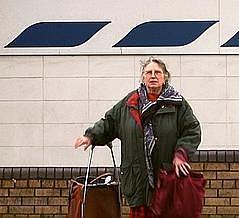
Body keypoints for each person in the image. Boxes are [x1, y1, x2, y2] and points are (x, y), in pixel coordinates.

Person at [74, 57, 201, 216]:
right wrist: (91, 136)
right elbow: (110, 123)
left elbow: (192, 130)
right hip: (137, 180)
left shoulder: (177, 104)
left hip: (167, 179)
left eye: (158, 72)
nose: (153, 76)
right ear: (143, 77)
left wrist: (181, 153)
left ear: (165, 77)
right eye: (149, 72)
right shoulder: (129, 103)